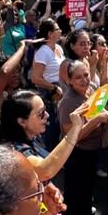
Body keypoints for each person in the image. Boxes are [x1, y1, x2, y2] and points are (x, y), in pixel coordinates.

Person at [0, 90, 87, 215]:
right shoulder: (15, 150)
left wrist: (47, 186)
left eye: (45, 110)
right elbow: (45, 169)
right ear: (22, 122)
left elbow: (40, 175)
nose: (47, 116)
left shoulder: (31, 138)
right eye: (40, 114)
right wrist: (75, 129)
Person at [57, 60, 108, 215]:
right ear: (70, 81)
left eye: (86, 75)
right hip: (77, 154)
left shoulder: (90, 89)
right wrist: (97, 120)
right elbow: (72, 136)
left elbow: (98, 110)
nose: (84, 80)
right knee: (75, 196)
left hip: (92, 151)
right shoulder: (68, 103)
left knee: (87, 193)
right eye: (78, 77)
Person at [31, 19, 65, 149]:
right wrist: (54, 88)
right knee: (50, 128)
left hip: (60, 91)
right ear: (50, 34)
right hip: (49, 94)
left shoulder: (58, 48)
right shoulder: (43, 52)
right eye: (58, 29)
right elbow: (35, 78)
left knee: (59, 126)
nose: (60, 31)